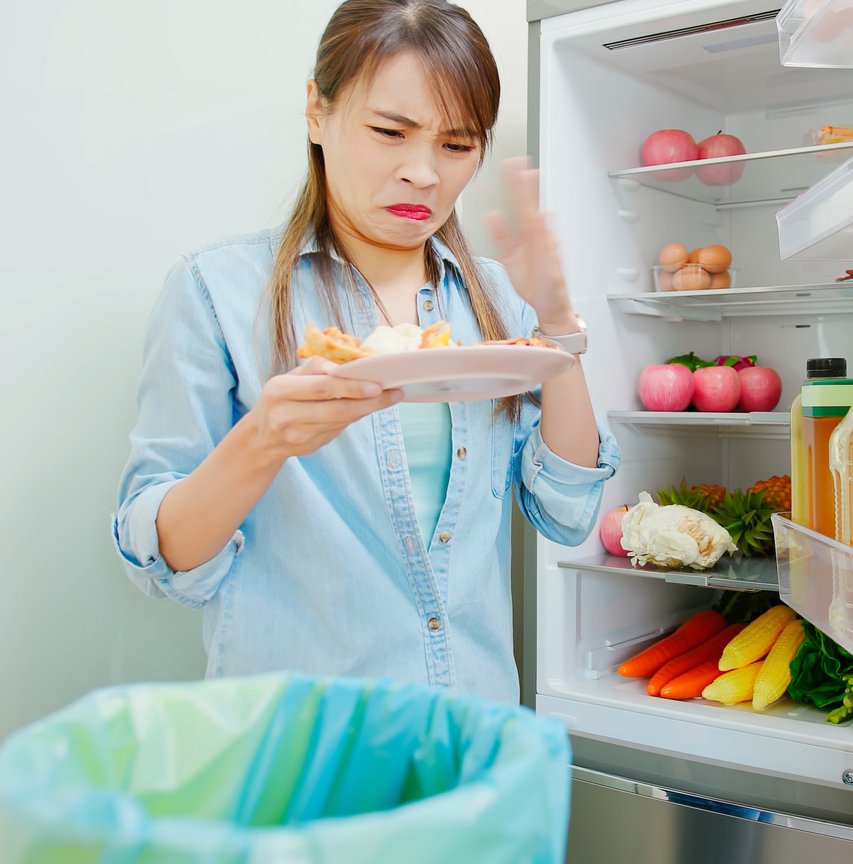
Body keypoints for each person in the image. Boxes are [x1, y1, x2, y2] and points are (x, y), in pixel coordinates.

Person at [110, 0, 617, 704]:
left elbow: (565, 510)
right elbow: (162, 562)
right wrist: (262, 440)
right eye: (389, 132)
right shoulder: (216, 290)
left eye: (457, 144)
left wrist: (557, 324)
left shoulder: (496, 297)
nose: (423, 173)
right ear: (316, 112)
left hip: (468, 730)